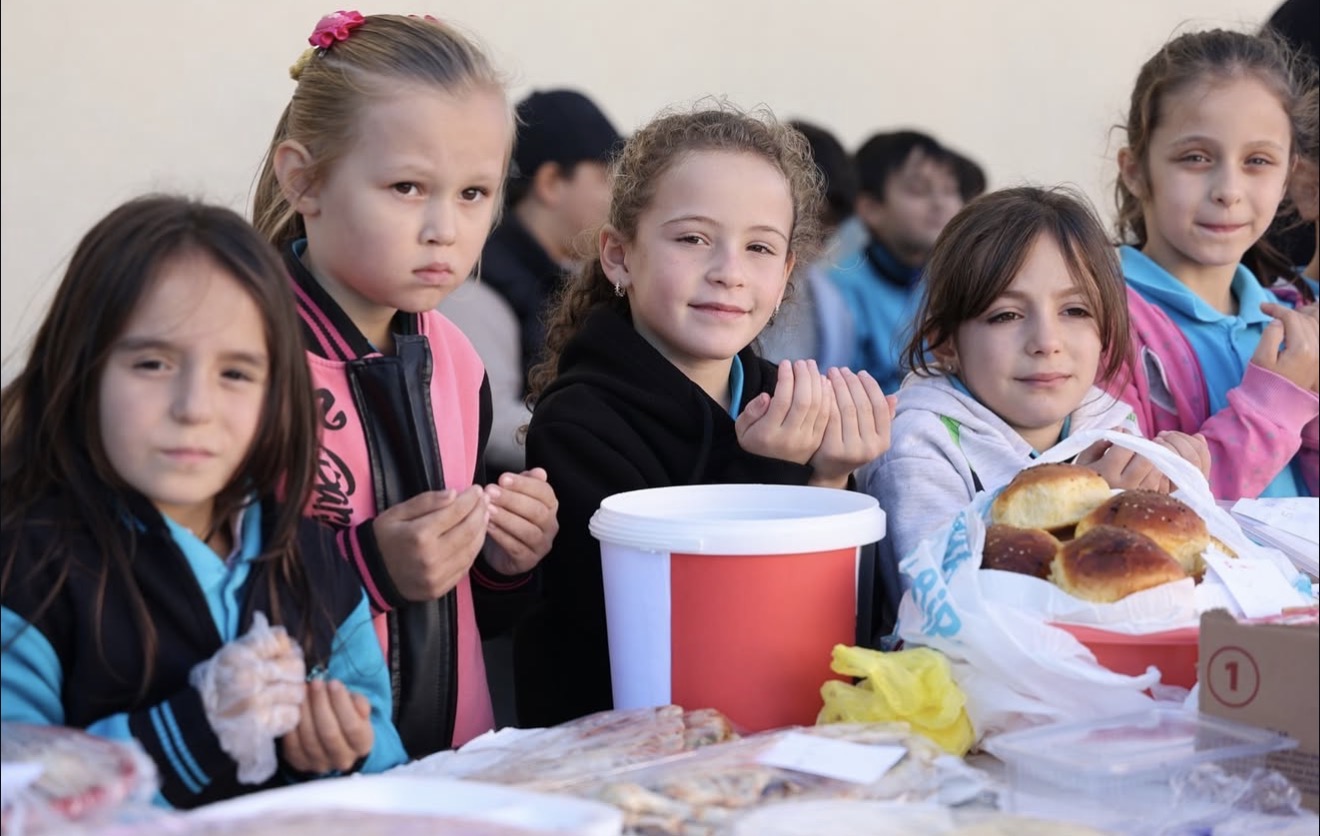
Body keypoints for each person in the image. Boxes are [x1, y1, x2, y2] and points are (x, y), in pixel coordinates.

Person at [0, 195, 406, 809]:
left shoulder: (308, 557)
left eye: (236, 373)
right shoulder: (27, 568)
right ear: (83, 369)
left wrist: (342, 752)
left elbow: (386, 767)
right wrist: (197, 730)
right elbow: (17, 798)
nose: (194, 407)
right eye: (153, 363)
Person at [514, 103, 894, 727]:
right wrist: (782, 479)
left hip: (780, 733)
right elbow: (676, 634)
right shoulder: (579, 421)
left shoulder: (783, 400)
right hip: (627, 763)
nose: (728, 272)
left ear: (786, 275)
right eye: (692, 238)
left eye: (760, 248)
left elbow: (855, 628)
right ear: (618, 256)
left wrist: (836, 485)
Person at [251, 11, 559, 757]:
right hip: (302, 779)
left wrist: (504, 561)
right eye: (407, 186)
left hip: (454, 771)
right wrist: (369, 570)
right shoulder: (245, 362)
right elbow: (182, 598)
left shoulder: (456, 359)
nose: (444, 229)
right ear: (305, 180)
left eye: (474, 194)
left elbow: (466, 617)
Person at [860, 187, 1211, 605]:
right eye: (1006, 315)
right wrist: (1090, 511)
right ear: (946, 344)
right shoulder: (920, 445)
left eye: (1075, 311)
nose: (1047, 341)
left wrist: (1181, 501)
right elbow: (941, 601)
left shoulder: (1109, 423)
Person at [1107, 28, 1319, 499]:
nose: (1229, 189)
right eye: (1196, 157)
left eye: (1258, 161)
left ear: (1288, 179)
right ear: (1136, 171)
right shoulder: (1097, 319)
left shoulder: (1294, 324)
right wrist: (1279, 401)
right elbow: (1131, 511)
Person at [826, 130, 966, 393]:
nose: (940, 203)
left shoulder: (958, 283)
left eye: (950, 190)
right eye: (919, 190)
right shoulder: (838, 291)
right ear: (870, 208)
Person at [758, 119, 858, 368]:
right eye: (809, 219)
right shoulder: (732, 281)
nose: (812, 237)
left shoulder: (829, 302)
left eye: (825, 228)